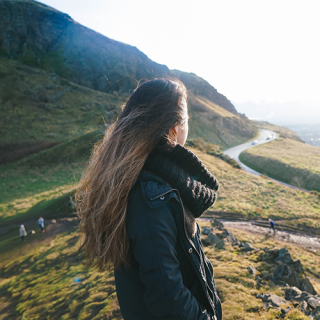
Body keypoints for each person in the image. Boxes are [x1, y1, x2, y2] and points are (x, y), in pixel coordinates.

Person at [76, 78, 222, 320]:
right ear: (174, 129)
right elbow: (167, 297)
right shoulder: (151, 196)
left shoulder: (152, 180)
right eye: (186, 120)